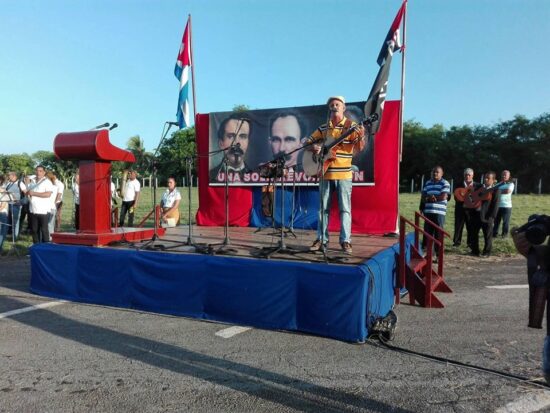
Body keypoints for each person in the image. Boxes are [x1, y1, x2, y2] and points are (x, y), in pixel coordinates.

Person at [306, 96, 365, 254]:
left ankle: (345, 241)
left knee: (345, 209)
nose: (334, 106)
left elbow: (359, 147)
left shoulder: (351, 126)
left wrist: (361, 135)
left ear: (344, 108)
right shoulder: (323, 128)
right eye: (331, 105)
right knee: (322, 209)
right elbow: (306, 142)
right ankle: (321, 239)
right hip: (325, 174)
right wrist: (315, 147)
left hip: (344, 174)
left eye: (337, 104)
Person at [209, 113, 253, 183]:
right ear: (221, 143)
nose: (237, 143)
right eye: (231, 136)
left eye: (243, 136)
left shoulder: (256, 176)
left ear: (248, 143)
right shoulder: (211, 176)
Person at [466, 171, 500, 257]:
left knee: (487, 235)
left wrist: (492, 217)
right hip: (476, 215)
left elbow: (495, 205)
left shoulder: (496, 190)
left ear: (493, 180)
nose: (486, 179)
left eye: (488, 178)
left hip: (487, 217)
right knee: (474, 234)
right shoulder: (478, 188)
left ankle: (487, 252)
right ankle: (475, 251)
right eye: (485, 177)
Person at [420, 166, 451, 256]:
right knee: (427, 233)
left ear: (442, 173)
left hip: (439, 213)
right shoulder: (428, 182)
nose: (435, 174)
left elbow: (444, 197)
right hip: (428, 212)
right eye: (433, 172)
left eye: (437, 172)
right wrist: (426, 200)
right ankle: (427, 254)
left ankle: (438, 255)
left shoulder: (445, 183)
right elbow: (423, 196)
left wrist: (431, 198)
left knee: (438, 234)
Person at [26, 165, 54, 244]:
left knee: (44, 230)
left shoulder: (47, 182)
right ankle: (36, 247)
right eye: (37, 170)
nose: (38, 172)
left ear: (44, 172)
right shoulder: (33, 182)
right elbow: (29, 193)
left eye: (40, 171)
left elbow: (48, 194)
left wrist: (34, 193)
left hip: (43, 210)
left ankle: (46, 248)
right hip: (33, 210)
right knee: (34, 230)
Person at [452, 168, 475, 247]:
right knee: (458, 226)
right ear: (464, 175)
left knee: (471, 227)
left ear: (472, 175)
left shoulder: (477, 185)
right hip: (460, 209)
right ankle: (456, 242)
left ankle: (470, 243)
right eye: (466, 175)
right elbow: (456, 197)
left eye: (469, 175)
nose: (467, 176)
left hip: (472, 210)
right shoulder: (458, 185)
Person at [4, 171, 27, 239]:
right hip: (8, 204)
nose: (8, 177)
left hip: (16, 205)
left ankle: (15, 236)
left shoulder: (20, 183)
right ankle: (7, 234)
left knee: (15, 222)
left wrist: (20, 202)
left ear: (14, 176)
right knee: (7, 221)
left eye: (9, 176)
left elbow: (26, 192)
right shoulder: (9, 183)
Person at [493, 169, 514, 238]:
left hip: (506, 206)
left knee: (505, 222)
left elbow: (507, 191)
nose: (503, 176)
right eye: (503, 174)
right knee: (496, 221)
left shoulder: (511, 184)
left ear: (509, 176)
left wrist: (497, 190)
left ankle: (504, 235)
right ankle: (494, 234)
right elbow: (492, 190)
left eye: (505, 175)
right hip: (498, 205)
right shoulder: (499, 184)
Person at [46, 172, 59, 239]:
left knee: (47, 224)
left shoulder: (48, 187)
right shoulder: (55, 187)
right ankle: (51, 238)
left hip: (47, 208)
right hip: (53, 207)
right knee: (51, 224)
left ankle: (47, 238)